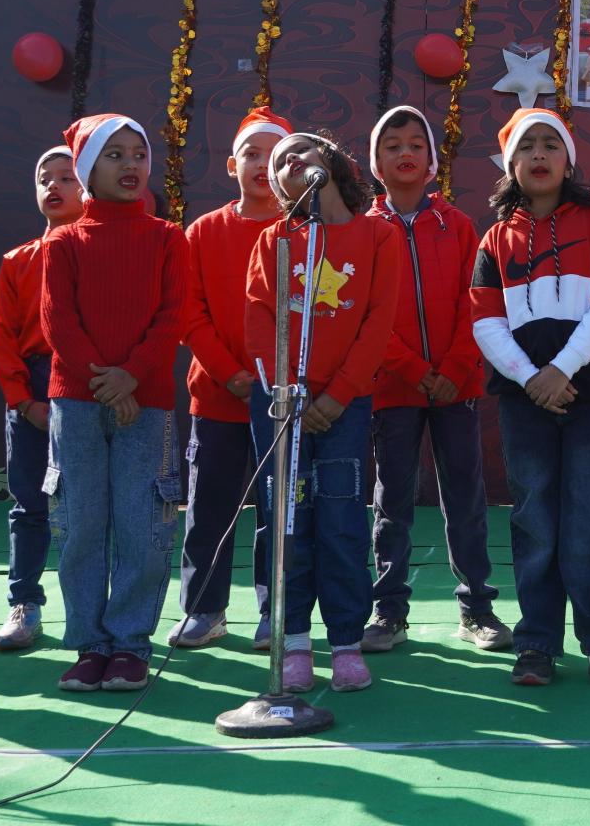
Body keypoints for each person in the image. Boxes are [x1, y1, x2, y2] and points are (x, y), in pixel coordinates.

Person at [470, 109, 590, 687]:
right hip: (525, 403)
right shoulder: (494, 239)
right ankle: (536, 642)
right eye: (527, 146)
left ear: (568, 161)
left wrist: (561, 370)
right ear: (510, 163)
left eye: (550, 144)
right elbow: (485, 322)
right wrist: (530, 378)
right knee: (535, 518)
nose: (539, 154)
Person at [244, 131, 401, 693]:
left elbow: (378, 321)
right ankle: (293, 641)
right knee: (288, 520)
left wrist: (337, 396)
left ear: (331, 162)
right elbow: (260, 317)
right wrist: (287, 390)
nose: (290, 159)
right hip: (282, 405)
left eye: (301, 150)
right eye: (279, 161)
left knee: (340, 519)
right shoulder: (276, 239)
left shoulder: (378, 235)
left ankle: (345, 642)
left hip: (344, 406)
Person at [40, 114, 189, 694]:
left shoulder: (167, 237)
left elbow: (171, 317)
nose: (130, 165)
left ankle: (129, 645)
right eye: (114, 154)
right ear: (86, 169)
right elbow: (57, 321)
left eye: (138, 153)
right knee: (80, 524)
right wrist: (107, 383)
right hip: (77, 404)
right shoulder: (63, 241)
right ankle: (89, 644)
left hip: (144, 402)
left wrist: (131, 378)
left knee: (140, 523)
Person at [363, 104, 511, 654]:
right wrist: (414, 370)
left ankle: (478, 609)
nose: (405, 153)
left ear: (431, 160)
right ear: (376, 163)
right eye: (392, 146)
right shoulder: (364, 231)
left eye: (415, 144)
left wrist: (451, 369)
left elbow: (478, 304)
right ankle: (388, 612)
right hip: (393, 388)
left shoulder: (459, 225)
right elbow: (367, 316)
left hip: (457, 386)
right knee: (393, 501)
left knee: (466, 499)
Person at [172, 107, 289, 651]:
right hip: (217, 397)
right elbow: (188, 314)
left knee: (277, 511)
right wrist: (230, 373)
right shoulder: (202, 232)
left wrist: (273, 378)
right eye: (251, 154)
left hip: (282, 400)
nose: (263, 165)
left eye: (274, 155)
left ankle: (275, 610)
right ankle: (204, 610)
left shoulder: (301, 232)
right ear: (230, 164)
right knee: (209, 508)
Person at [0, 144, 82, 651]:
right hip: (32, 385)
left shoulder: (99, 253)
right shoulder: (17, 260)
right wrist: (24, 401)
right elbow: (2, 336)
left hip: (86, 382)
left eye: (67, 177)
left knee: (90, 506)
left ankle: (93, 613)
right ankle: (24, 603)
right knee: (29, 504)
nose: (54, 186)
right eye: (45, 178)